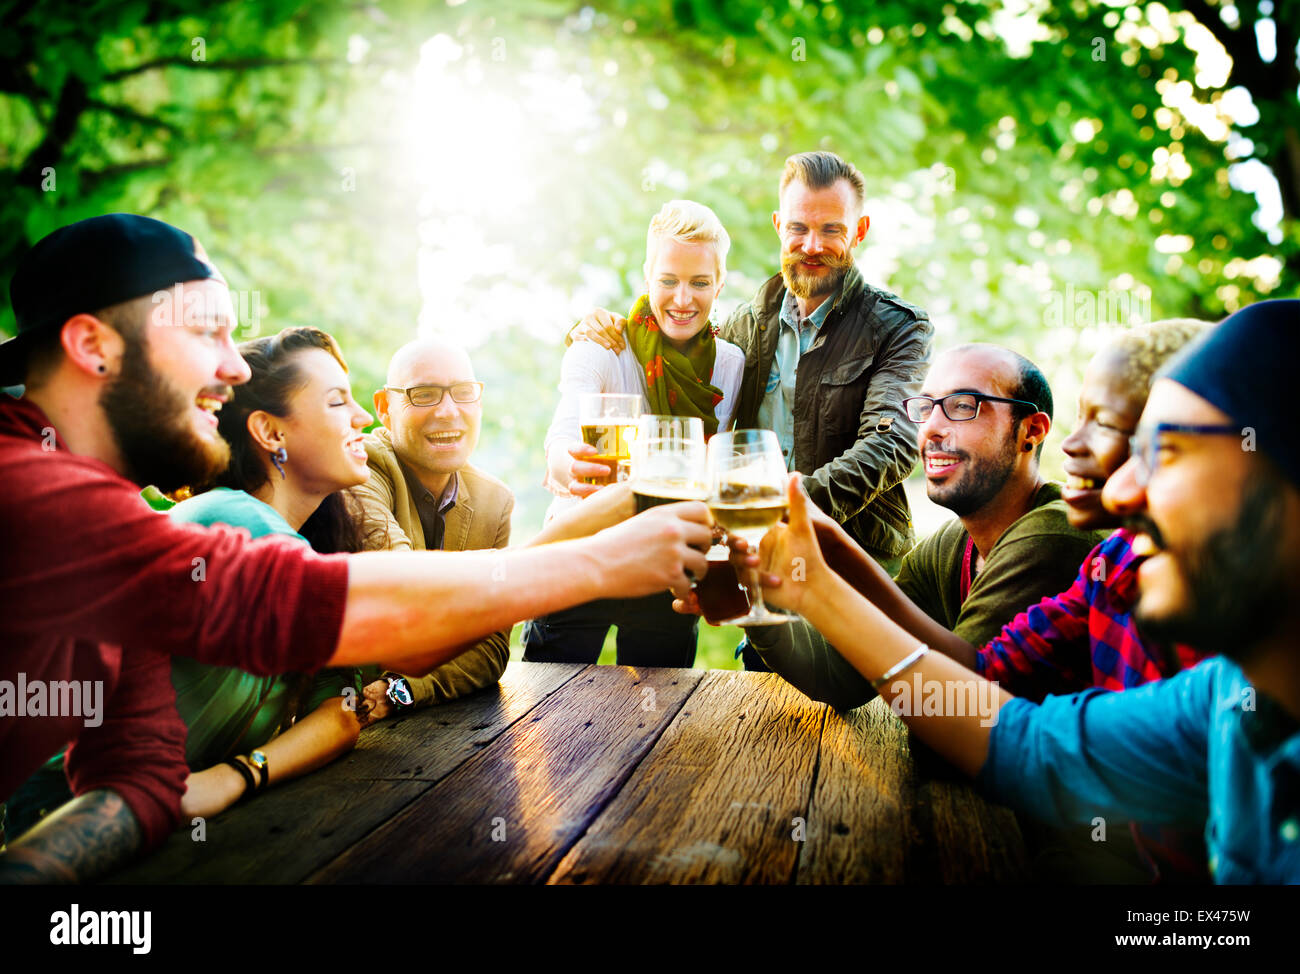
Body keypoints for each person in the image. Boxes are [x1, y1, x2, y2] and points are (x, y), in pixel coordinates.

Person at [0, 214, 710, 883]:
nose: (235, 367)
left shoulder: (103, 517)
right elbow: (326, 607)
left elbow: (142, 777)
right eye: (205, 333)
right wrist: (608, 554)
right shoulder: (31, 488)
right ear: (93, 347)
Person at [747, 299, 1300, 883]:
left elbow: (976, 704)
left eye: (1163, 450)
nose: (1122, 493)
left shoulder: (1060, 534)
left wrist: (820, 581)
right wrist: (801, 584)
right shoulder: (1219, 701)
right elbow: (1013, 735)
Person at [7, 327, 379, 831]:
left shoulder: (307, 544)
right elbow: (388, 616)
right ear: (271, 433)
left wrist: (237, 776)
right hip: (73, 816)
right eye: (339, 403)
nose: (364, 418)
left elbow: (339, 715)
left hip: (161, 819)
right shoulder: (230, 516)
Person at [572, 151, 932, 584]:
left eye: (831, 229)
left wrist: (774, 507)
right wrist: (601, 328)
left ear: (859, 231)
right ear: (780, 226)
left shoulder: (898, 327)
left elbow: (890, 446)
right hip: (759, 569)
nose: (812, 245)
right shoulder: (744, 326)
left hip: (858, 566)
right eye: (799, 228)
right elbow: (675, 350)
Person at [736, 343, 1108, 702]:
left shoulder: (1055, 534)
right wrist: (751, 598)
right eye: (926, 407)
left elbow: (960, 698)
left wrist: (834, 547)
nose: (931, 428)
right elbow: (840, 677)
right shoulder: (949, 546)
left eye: (963, 406)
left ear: (1032, 431)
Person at [521, 200, 744, 667]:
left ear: (719, 283)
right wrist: (569, 464)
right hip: (579, 552)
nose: (682, 300)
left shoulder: (729, 364)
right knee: (543, 713)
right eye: (668, 280)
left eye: (699, 282)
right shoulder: (602, 346)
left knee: (656, 718)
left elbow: (712, 476)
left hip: (662, 565)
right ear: (647, 276)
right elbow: (560, 442)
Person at [354, 338, 513, 717]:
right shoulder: (360, 469)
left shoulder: (495, 502)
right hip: (337, 727)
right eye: (423, 394)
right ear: (384, 409)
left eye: (463, 393)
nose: (448, 412)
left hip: (443, 728)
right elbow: (406, 586)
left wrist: (403, 690)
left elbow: (492, 648)